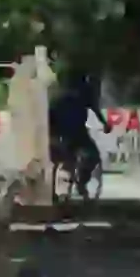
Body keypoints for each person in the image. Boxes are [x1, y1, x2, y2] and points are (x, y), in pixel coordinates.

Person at [48, 69, 111, 198]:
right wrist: (104, 123)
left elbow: (94, 108)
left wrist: (104, 123)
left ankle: (76, 182)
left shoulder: (61, 96)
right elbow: (95, 108)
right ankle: (79, 182)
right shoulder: (78, 96)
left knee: (81, 158)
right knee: (91, 157)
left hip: (68, 133)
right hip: (70, 134)